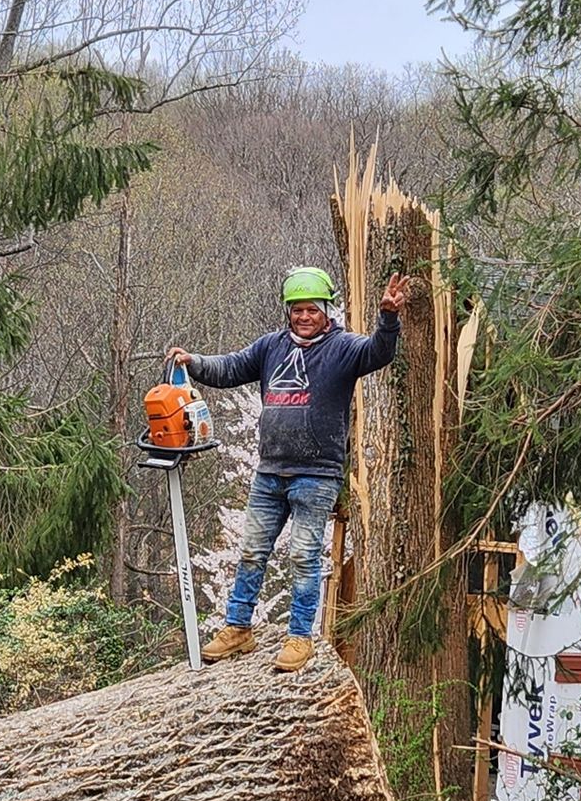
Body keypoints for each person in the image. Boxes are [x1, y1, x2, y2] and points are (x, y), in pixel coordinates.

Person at [169, 265, 411, 672]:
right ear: (287, 311)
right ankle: (238, 628)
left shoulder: (343, 348)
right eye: (296, 310)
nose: (303, 316)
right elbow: (230, 368)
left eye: (311, 310)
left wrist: (388, 318)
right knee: (251, 551)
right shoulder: (271, 347)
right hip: (270, 471)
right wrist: (193, 362)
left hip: (316, 474)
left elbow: (378, 353)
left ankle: (300, 636)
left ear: (326, 311)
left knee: (303, 555)